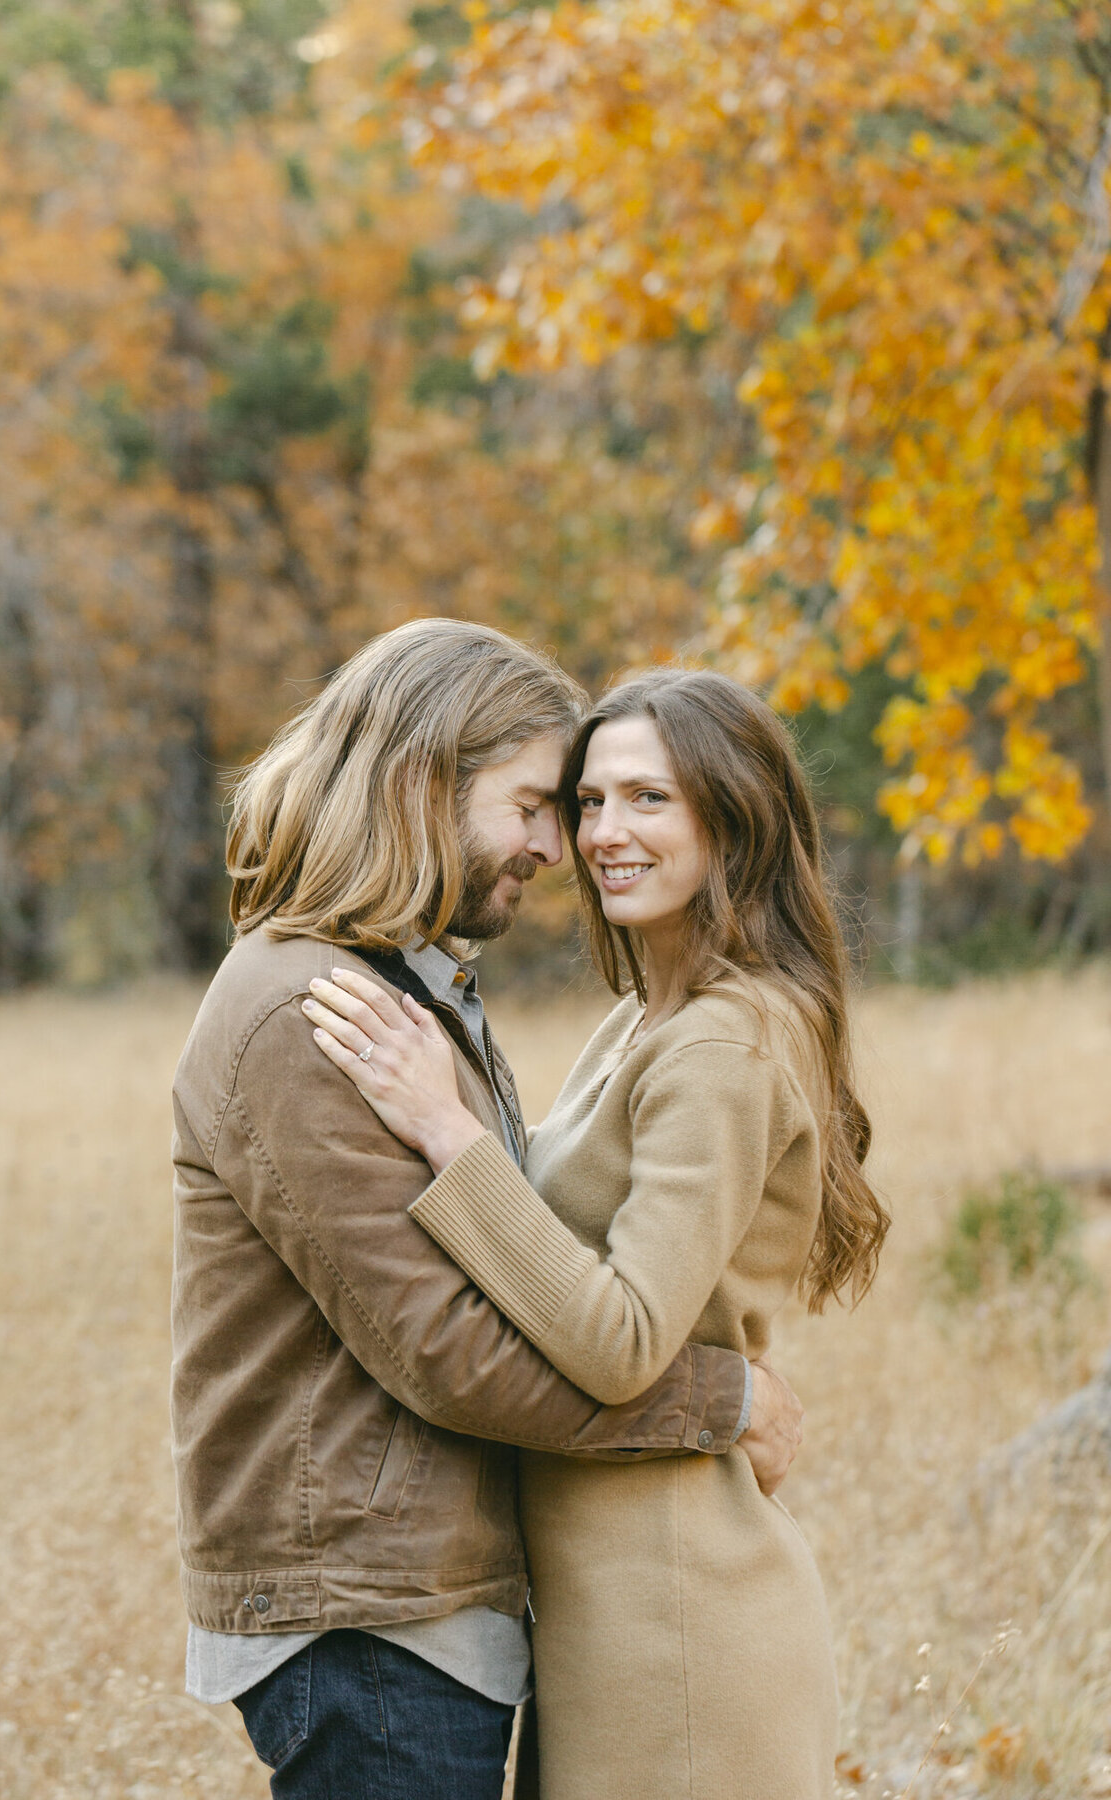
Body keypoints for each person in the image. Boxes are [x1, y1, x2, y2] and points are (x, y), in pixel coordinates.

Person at [170, 622, 805, 1800]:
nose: (559, 846)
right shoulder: (312, 1016)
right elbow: (457, 1355)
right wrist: (725, 1399)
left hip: (426, 1604)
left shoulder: (401, 988)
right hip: (368, 1615)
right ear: (424, 780)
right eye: (535, 806)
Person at [304, 666, 891, 1800]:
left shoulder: (722, 1045)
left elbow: (622, 1337)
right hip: (605, 1608)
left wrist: (444, 1130)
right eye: (589, 803)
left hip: (676, 1626)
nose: (605, 833)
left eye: (650, 800)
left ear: (735, 817)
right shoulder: (645, 1022)